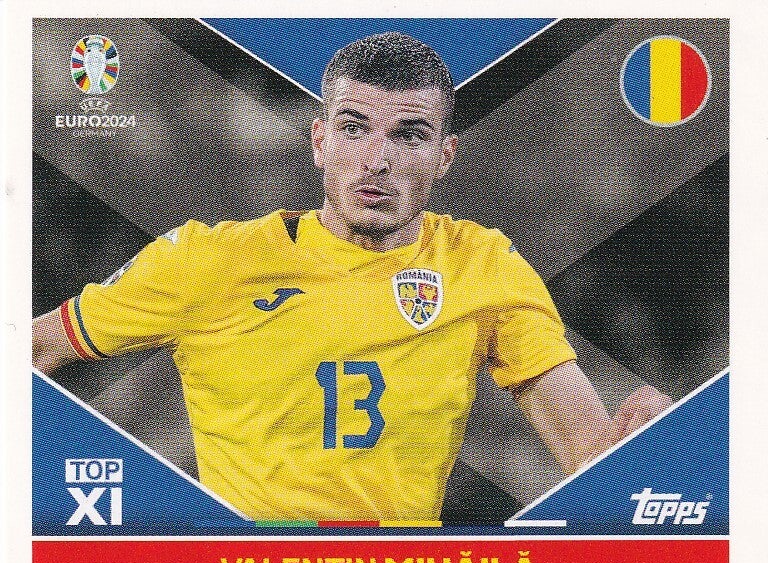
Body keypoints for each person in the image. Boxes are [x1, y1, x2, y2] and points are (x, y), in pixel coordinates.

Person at [32, 32, 671, 522]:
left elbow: (586, 449)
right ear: (319, 141)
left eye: (409, 135)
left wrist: (635, 453)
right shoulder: (207, 261)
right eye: (354, 127)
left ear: (445, 155)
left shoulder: (484, 267)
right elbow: (33, 348)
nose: (376, 160)